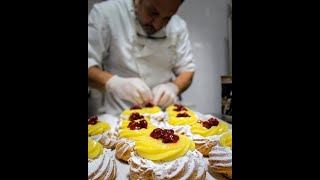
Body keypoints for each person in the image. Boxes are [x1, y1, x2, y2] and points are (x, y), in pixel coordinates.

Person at [88, 0, 195, 116]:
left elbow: (187, 70)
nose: (157, 25)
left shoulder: (178, 26)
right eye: (153, 13)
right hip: (117, 115)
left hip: (164, 116)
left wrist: (174, 87)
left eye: (167, 18)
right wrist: (114, 83)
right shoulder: (107, 14)